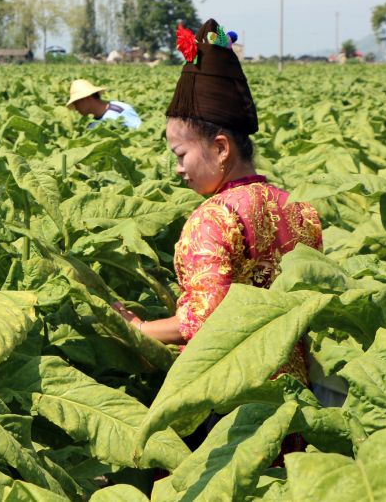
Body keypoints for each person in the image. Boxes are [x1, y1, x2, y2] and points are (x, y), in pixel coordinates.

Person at [113, 19, 322, 385]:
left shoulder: (214, 217)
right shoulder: (299, 207)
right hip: (296, 386)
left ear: (221, 148)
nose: (178, 169)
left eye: (180, 155)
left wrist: (138, 327)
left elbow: (206, 320)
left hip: (234, 392)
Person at [66, 79, 142, 129]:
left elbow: (140, 132)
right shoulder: (91, 126)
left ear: (87, 98)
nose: (75, 107)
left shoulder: (120, 110)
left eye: (76, 102)